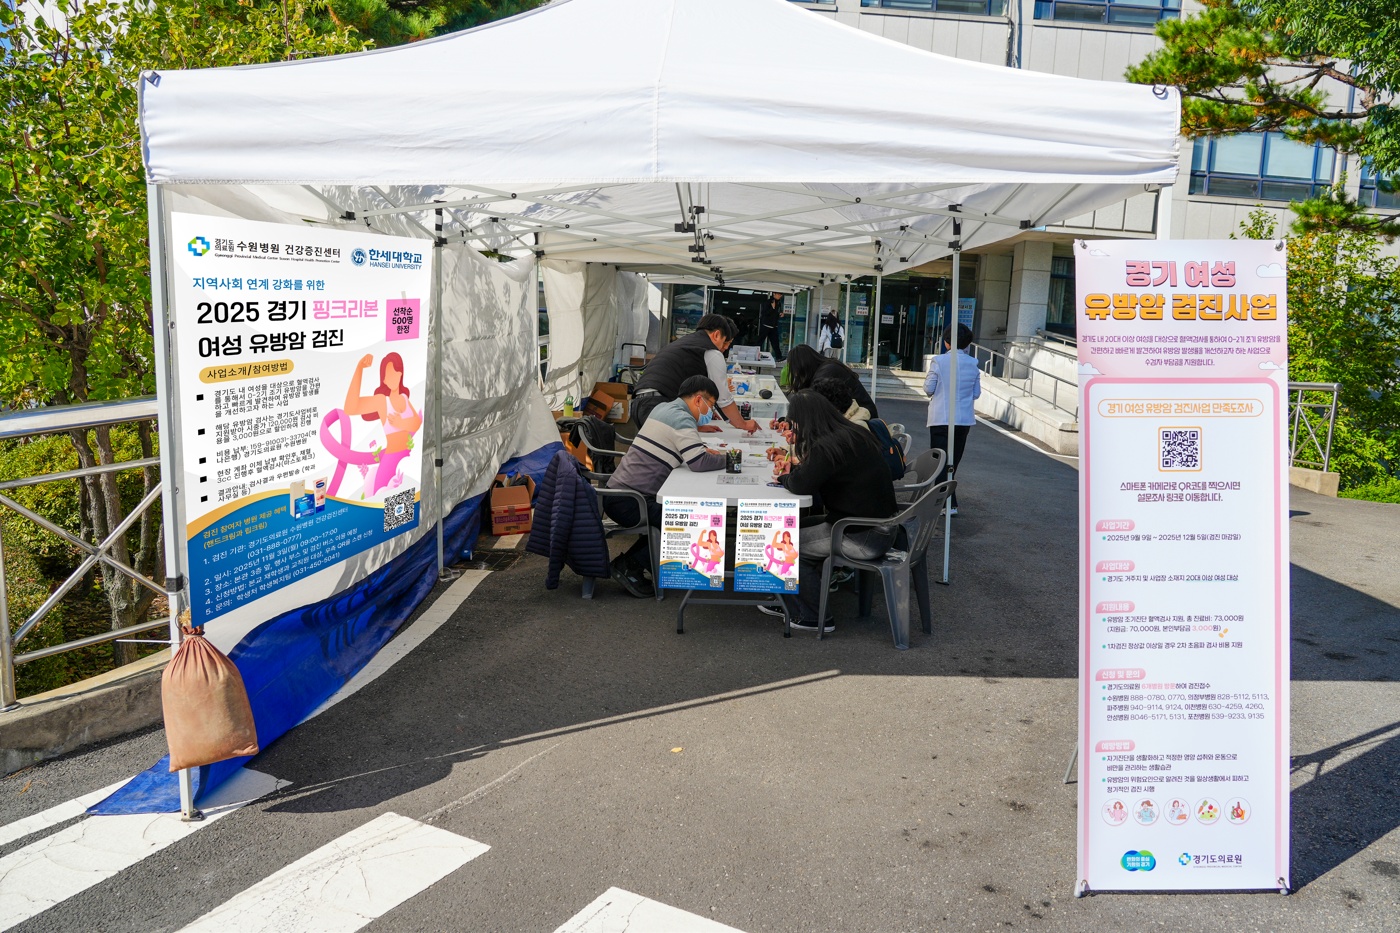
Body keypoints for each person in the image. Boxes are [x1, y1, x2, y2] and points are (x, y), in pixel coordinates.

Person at [763, 390, 898, 632]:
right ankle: (790, 596)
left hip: (862, 534)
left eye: (794, 423)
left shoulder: (827, 446)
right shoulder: (849, 433)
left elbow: (801, 484)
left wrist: (785, 477)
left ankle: (813, 616)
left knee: (785, 547)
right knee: (791, 528)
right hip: (877, 524)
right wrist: (794, 472)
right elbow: (810, 475)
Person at [604, 375, 726, 597]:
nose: (711, 412)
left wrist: (702, 452)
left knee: (681, 512)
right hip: (631, 502)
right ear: (699, 400)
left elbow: (685, 451)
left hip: (620, 494)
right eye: (711, 405)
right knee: (691, 518)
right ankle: (629, 565)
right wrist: (730, 459)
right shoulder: (682, 419)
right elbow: (698, 462)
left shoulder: (664, 409)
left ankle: (644, 563)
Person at [631, 314, 759, 434]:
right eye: (725, 342)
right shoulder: (710, 352)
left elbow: (689, 388)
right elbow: (723, 397)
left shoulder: (685, 343)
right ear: (717, 335)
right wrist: (743, 424)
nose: (724, 348)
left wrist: (697, 423)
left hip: (639, 403)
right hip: (657, 404)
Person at [341, 352, 422, 494]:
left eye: (394, 372)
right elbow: (350, 407)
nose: (391, 377)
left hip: (408, 459)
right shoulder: (382, 401)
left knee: (406, 499)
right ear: (384, 379)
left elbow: (416, 423)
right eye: (387, 375)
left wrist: (401, 422)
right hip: (390, 460)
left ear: (400, 373)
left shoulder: (404, 398)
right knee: (381, 498)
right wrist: (359, 368)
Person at [925, 323, 980, 515]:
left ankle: (944, 503)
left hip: (940, 417)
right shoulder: (973, 364)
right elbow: (976, 393)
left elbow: (928, 389)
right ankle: (949, 502)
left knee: (940, 461)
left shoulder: (938, 361)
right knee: (953, 462)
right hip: (963, 419)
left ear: (947, 342)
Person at [785, 344, 879, 419]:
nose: (796, 374)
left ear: (802, 365)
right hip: (857, 415)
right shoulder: (827, 367)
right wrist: (789, 421)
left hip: (862, 418)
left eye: (795, 370)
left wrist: (791, 420)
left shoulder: (826, 372)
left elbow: (811, 403)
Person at [757, 292, 785, 361]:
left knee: (775, 342)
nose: (780, 296)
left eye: (781, 295)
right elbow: (765, 313)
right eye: (778, 294)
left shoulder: (779, 303)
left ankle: (779, 357)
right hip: (766, 325)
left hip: (773, 326)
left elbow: (775, 314)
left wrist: (780, 314)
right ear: (774, 294)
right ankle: (754, 354)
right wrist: (772, 308)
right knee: (760, 341)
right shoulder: (769, 302)